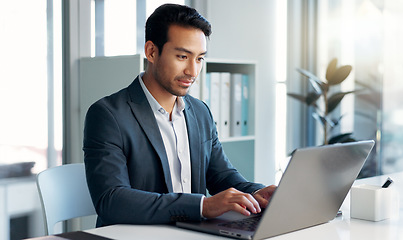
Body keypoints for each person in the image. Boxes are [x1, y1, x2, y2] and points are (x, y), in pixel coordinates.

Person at [83, 3, 276, 227]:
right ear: (151, 52)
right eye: (183, 57)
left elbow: (221, 177)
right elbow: (112, 201)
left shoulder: (200, 112)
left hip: (190, 233)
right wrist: (202, 206)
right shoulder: (108, 115)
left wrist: (258, 193)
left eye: (199, 58)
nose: (193, 72)